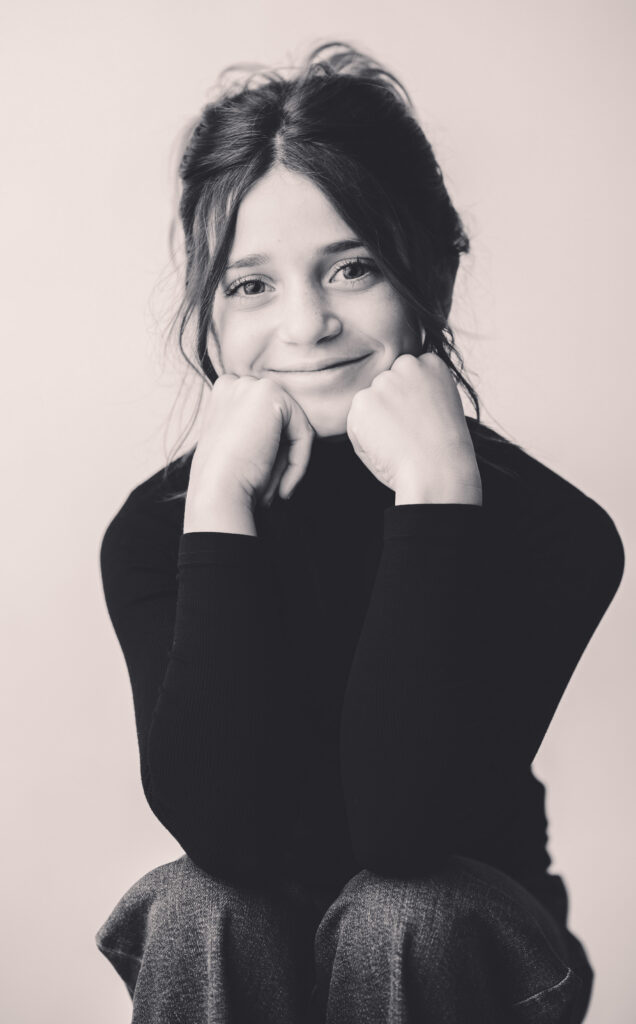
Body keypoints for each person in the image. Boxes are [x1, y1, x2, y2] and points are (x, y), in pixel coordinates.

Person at [95, 41, 624, 1024]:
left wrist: (433, 491)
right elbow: (227, 834)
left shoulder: (555, 532)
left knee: (401, 914)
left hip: (476, 954)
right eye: (251, 285)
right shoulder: (149, 535)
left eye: (352, 267)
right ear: (209, 317)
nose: (307, 325)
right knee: (198, 900)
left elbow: (403, 829)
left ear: (433, 271)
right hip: (249, 947)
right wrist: (217, 510)